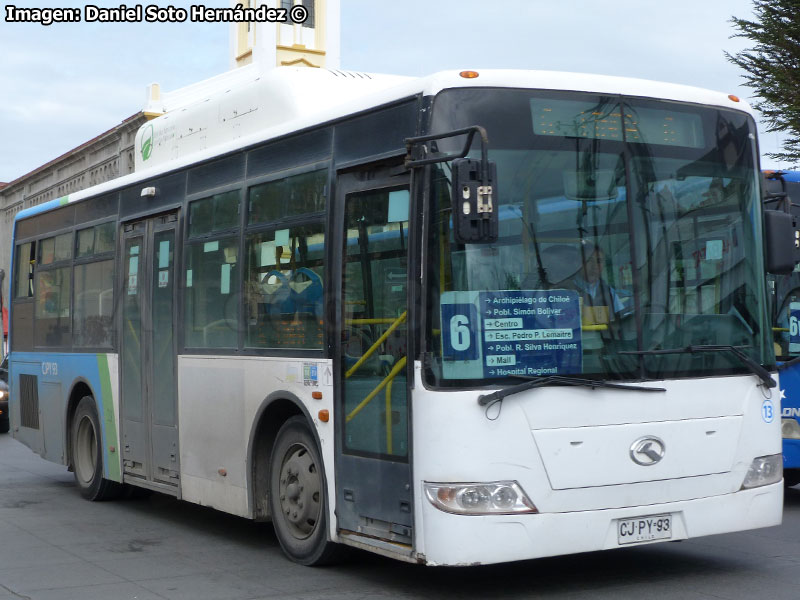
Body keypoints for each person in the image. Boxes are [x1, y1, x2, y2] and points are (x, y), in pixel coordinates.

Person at [573, 243, 626, 321]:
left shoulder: (610, 293)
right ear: (578, 263)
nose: (595, 266)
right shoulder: (566, 291)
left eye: (599, 261)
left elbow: (623, 320)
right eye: (589, 260)